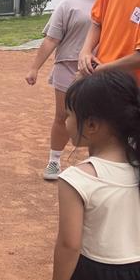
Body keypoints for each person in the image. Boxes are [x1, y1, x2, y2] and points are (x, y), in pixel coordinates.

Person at [25, 0, 113, 180]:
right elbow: (52, 40)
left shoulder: (114, 2)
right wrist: (34, 68)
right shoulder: (69, 4)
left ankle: (96, 163)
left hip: (101, 68)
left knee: (100, 116)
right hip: (68, 66)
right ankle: (54, 161)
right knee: (63, 115)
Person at [52, 70, 140, 280]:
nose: (65, 122)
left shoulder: (77, 179)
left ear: (91, 125)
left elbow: (69, 245)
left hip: (95, 271)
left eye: (69, 115)